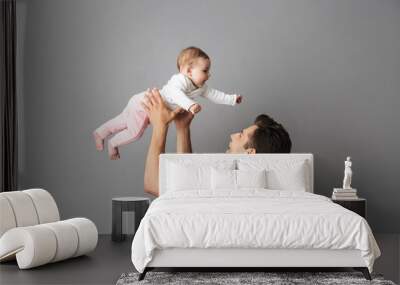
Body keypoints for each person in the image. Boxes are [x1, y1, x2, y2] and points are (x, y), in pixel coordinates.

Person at [93, 46, 242, 160]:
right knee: (135, 133)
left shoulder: (201, 87)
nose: (209, 75)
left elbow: (215, 95)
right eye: (205, 71)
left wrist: (232, 99)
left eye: (208, 71)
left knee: (122, 121)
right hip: (145, 104)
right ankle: (113, 143)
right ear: (189, 71)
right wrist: (190, 105)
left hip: (143, 101)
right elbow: (176, 95)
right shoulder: (179, 80)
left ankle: (100, 132)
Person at [141, 88, 292, 197]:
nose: (233, 135)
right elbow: (185, 181)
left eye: (241, 135)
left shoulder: (231, 179)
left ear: (250, 152)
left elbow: (154, 185)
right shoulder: (261, 189)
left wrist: (160, 126)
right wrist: (183, 129)